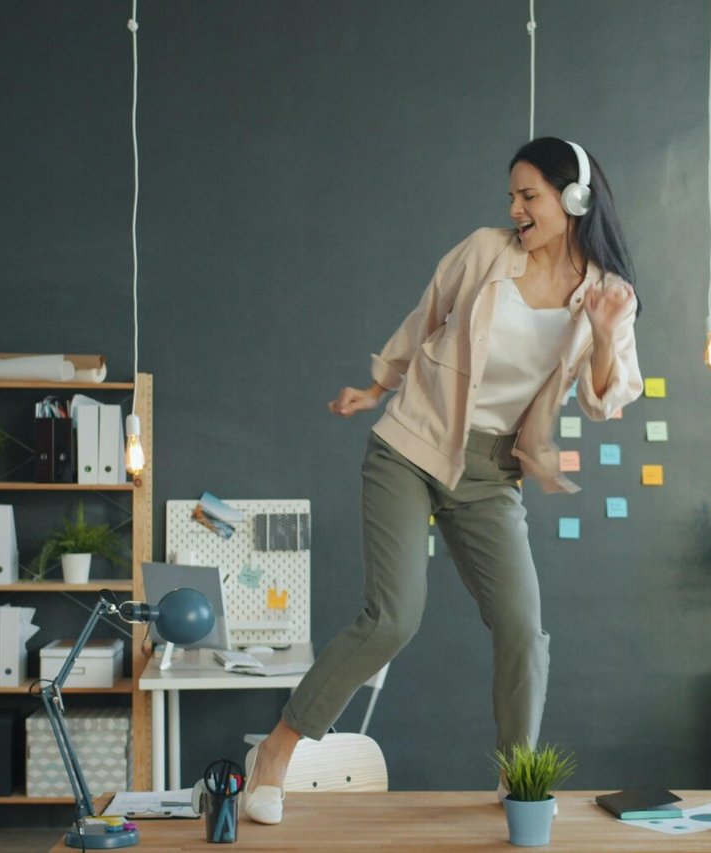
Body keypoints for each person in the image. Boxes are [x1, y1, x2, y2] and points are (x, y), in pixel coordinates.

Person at [242, 137, 643, 825]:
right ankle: (276, 751)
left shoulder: (607, 294)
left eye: (530, 196)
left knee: (523, 629)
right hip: (412, 445)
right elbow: (427, 314)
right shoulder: (486, 252)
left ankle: (517, 778)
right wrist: (378, 385)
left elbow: (606, 400)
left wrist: (604, 333)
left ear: (574, 199)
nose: (515, 209)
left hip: (493, 473)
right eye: (512, 196)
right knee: (393, 618)